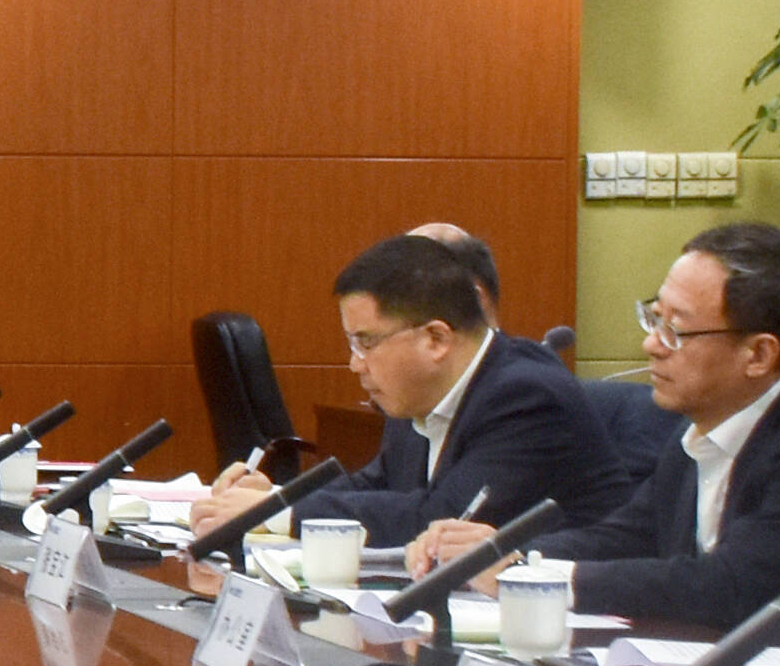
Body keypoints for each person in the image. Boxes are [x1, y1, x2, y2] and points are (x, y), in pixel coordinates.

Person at [439, 220, 780, 666]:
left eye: (676, 329)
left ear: (758, 354)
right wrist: (509, 557)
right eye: (654, 318)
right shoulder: (706, 423)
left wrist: (546, 580)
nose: (651, 344)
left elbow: (730, 586)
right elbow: (630, 535)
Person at [194, 233, 634, 549]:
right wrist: (272, 498)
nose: (355, 363)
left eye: (366, 342)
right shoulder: (420, 394)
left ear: (436, 339)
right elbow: (373, 485)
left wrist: (278, 516)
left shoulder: (526, 397)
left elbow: (439, 519)